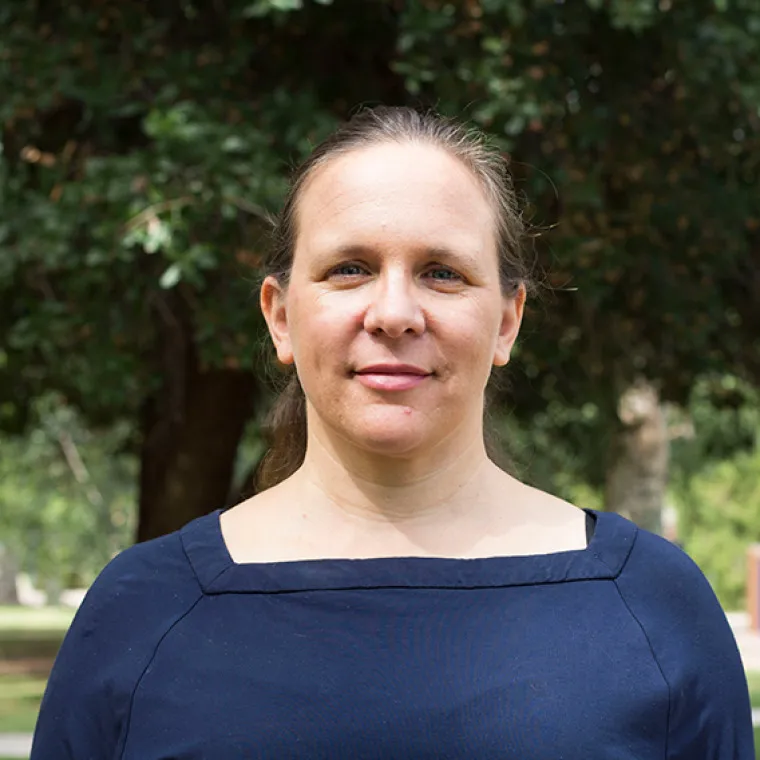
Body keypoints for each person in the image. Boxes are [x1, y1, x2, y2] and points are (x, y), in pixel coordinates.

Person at [31, 106, 753, 759]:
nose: (394, 312)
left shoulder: (653, 608)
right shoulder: (141, 612)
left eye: (442, 273)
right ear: (280, 316)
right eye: (350, 269)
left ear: (507, 321)